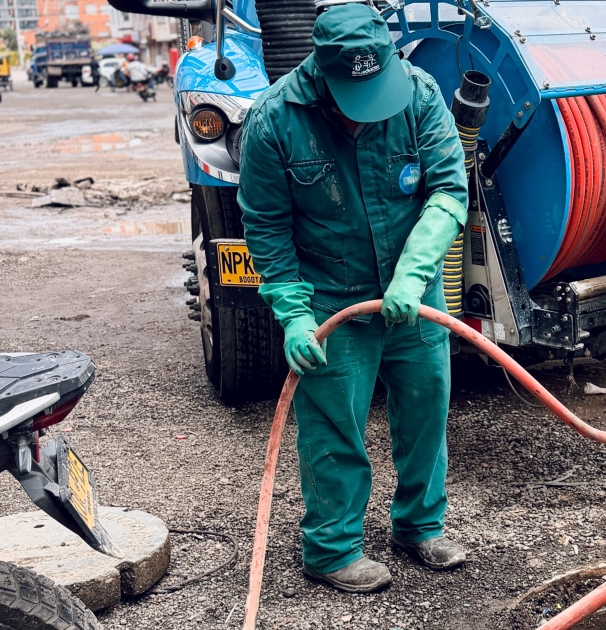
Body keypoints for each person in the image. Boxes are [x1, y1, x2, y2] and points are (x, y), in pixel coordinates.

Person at [238, 1, 468, 593]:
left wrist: (414, 273)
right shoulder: (274, 120)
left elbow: (448, 190)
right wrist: (292, 316)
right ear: (324, 73)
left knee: (426, 410)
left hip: (411, 293)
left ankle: (420, 527)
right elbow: (265, 226)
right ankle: (331, 549)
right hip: (329, 299)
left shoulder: (417, 94)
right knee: (334, 425)